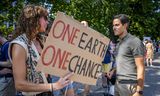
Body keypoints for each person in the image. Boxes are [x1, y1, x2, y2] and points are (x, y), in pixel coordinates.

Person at [8, 5, 73, 96]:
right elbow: (19, 84)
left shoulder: (42, 40)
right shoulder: (19, 45)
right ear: (34, 19)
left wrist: (82, 30)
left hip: (47, 92)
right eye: (45, 18)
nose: (47, 21)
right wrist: (53, 86)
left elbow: (67, 43)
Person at [112, 14, 145, 96]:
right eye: (113, 25)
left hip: (129, 85)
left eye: (117, 25)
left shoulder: (134, 41)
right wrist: (113, 70)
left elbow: (141, 66)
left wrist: (139, 91)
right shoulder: (119, 43)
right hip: (118, 83)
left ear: (125, 25)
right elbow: (123, 61)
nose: (114, 28)